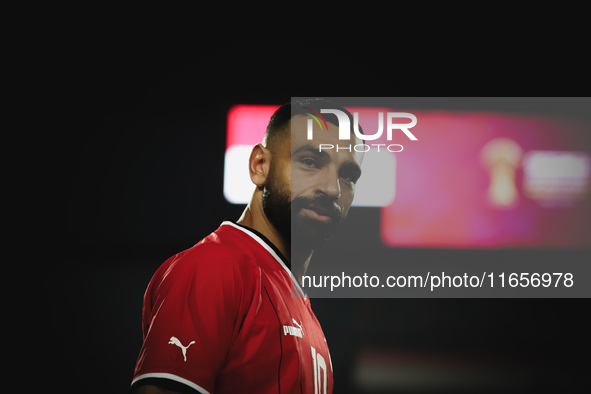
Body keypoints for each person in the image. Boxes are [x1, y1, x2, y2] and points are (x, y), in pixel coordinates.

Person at [130, 98, 364, 394]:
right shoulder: (215, 267)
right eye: (309, 161)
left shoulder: (299, 305)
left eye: (348, 175)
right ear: (259, 165)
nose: (333, 188)